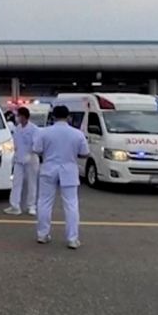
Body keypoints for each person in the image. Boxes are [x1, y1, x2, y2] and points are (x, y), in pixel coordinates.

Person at [33, 105, 90, 249]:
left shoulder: (44, 132)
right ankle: (72, 238)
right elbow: (85, 153)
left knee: (44, 202)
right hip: (69, 169)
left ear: (53, 117)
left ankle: (42, 234)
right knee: (71, 204)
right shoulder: (77, 134)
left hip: (49, 168)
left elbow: (37, 150)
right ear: (68, 117)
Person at [4, 106, 40, 216]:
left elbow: (37, 145)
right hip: (19, 159)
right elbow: (15, 143)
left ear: (23, 116)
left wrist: (30, 153)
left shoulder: (34, 129)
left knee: (31, 183)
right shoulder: (17, 128)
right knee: (16, 183)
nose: (17, 118)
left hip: (31, 159)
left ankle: (31, 206)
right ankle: (15, 206)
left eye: (18, 115)